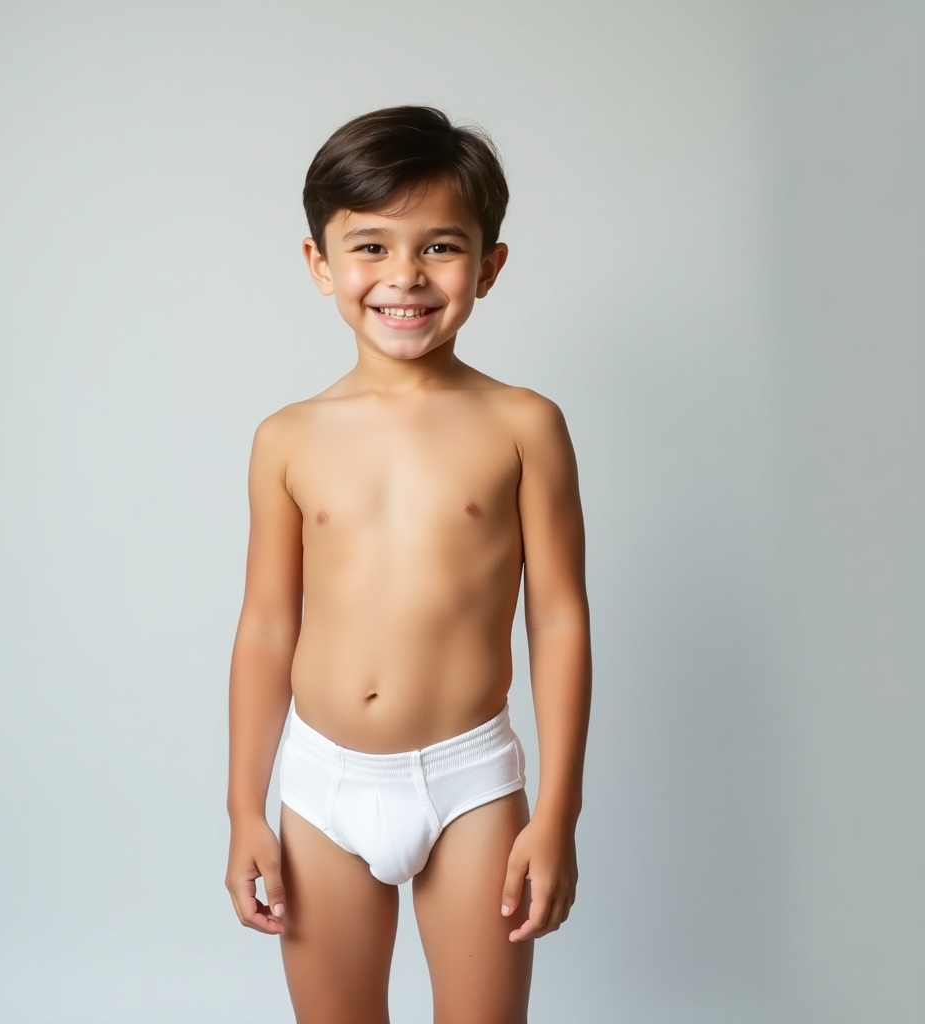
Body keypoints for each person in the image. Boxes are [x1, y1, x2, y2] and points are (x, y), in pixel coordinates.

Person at [225, 105, 592, 1024]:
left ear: (489, 266)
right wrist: (243, 809)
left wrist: (558, 814)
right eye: (371, 247)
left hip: (469, 782)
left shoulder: (524, 425)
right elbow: (269, 625)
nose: (404, 277)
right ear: (320, 263)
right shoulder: (286, 439)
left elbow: (559, 619)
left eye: (438, 247)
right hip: (322, 787)